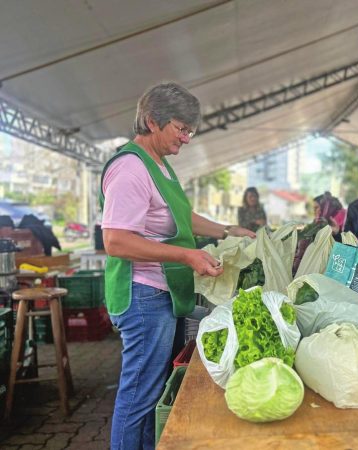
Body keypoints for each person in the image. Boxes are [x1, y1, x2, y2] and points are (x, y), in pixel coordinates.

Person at [100, 82, 255, 449]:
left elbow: (182, 217)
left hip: (162, 294)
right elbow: (116, 240)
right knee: (138, 396)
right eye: (180, 128)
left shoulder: (160, 166)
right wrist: (187, 255)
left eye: (190, 130)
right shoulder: (130, 168)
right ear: (152, 121)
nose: (186, 138)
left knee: (153, 390)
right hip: (142, 297)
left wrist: (229, 230)